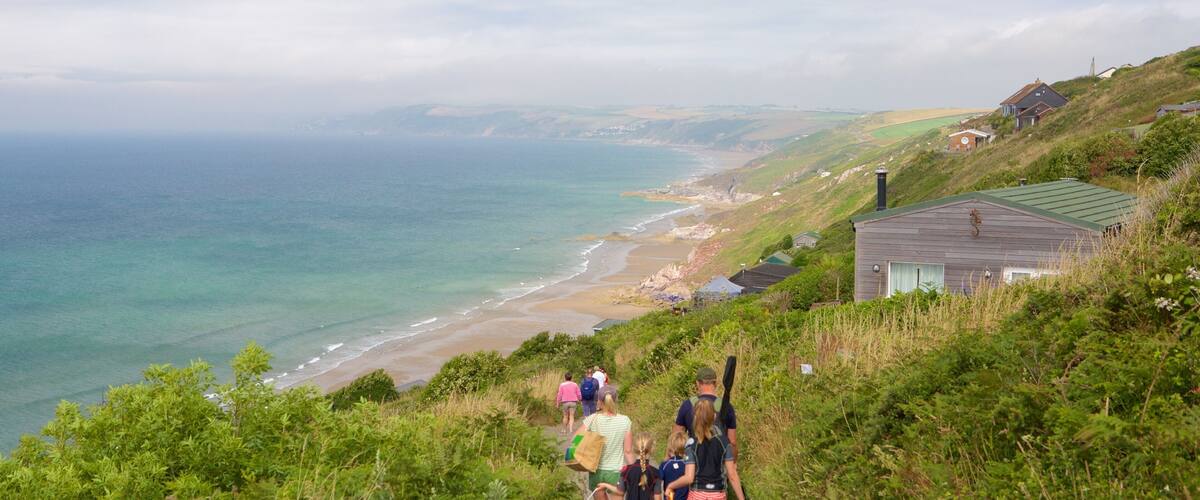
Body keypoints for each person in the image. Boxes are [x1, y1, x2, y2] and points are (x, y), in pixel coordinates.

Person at [665, 400, 745, 500]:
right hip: (718, 495)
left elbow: (689, 478)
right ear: (714, 417)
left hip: (697, 495)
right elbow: (732, 475)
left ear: (695, 418)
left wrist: (671, 485)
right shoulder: (724, 442)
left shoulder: (691, 444)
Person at [573, 385, 632, 500]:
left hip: (597, 471)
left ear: (599, 401)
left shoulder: (592, 419)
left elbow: (575, 439)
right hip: (616, 471)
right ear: (615, 400)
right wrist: (637, 470)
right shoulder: (625, 420)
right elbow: (628, 451)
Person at [673, 366, 736, 459]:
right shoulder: (726, 406)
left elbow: (676, 436)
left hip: (694, 460)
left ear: (698, 383)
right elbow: (732, 441)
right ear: (716, 383)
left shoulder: (687, 405)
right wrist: (732, 464)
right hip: (719, 461)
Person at [595, 432, 663, 500]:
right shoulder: (656, 473)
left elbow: (620, 492)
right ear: (652, 449)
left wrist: (605, 485)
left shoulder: (626, 470)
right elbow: (658, 497)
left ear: (634, 448)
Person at [659, 431, 689, 500]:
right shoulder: (688, 465)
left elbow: (658, 482)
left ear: (670, 447)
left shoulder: (665, 465)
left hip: (670, 497)